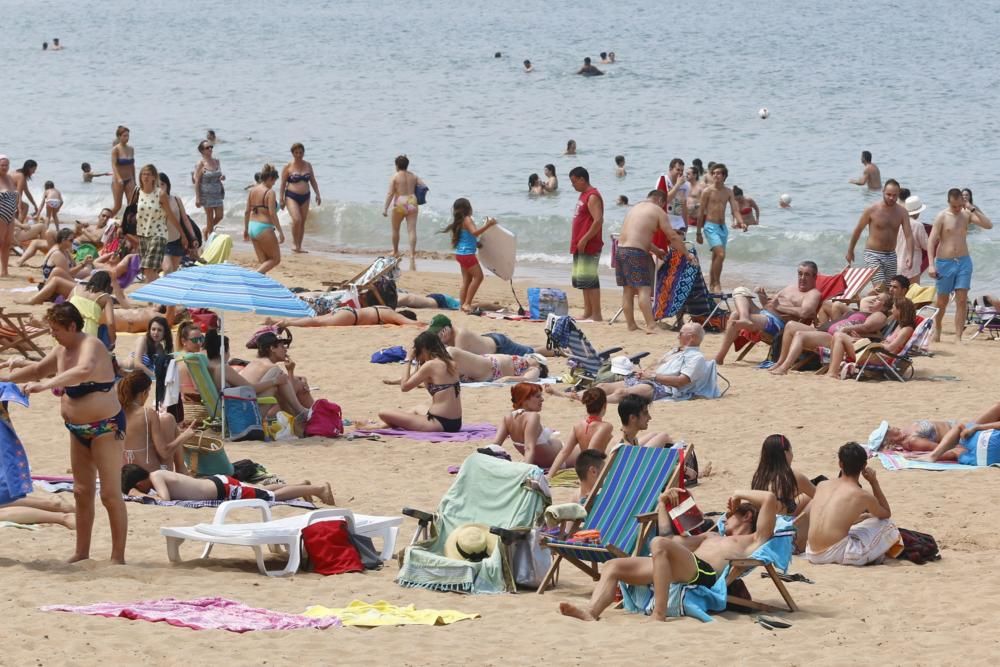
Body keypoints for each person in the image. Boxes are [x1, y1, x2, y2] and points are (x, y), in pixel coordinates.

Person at [0, 304, 127, 563]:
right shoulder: (61, 350)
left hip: (105, 427)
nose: (53, 335)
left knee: (109, 494)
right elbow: (36, 370)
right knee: (81, 491)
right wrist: (3, 379)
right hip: (76, 429)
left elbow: (83, 371)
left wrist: (47, 384)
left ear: (72, 326)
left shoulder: (91, 345)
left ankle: (117, 557)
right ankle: (82, 552)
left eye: (56, 330)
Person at [558, 486, 778, 622]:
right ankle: (592, 611)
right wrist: (662, 504)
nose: (725, 517)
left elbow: (769, 499)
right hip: (680, 567)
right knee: (614, 566)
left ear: (747, 515)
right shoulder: (711, 537)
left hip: (704, 573)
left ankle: (659, 614)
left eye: (731, 515)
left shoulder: (753, 540)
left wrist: (738, 493)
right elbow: (669, 539)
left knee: (658, 543)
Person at [804, 443, 898, 566]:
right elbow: (886, 513)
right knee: (888, 525)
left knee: (856, 525)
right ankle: (877, 557)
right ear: (864, 466)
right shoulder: (861, 495)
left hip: (810, 551)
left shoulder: (822, 485)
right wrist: (874, 482)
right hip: (833, 553)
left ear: (840, 464)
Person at [715, 261, 822, 364]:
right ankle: (745, 318)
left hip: (777, 324)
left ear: (815, 277)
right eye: (800, 274)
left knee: (734, 315)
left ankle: (720, 357)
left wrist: (779, 306)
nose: (802, 278)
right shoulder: (790, 287)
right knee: (740, 291)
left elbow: (804, 313)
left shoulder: (812, 294)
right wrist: (763, 297)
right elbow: (768, 305)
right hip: (764, 313)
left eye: (807, 275)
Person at [770, 292, 892, 375]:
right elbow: (842, 306)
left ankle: (784, 368)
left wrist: (846, 329)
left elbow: (867, 327)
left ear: (885, 307)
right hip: (825, 331)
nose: (873, 300)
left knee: (800, 335)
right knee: (791, 325)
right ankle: (779, 362)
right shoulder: (861, 312)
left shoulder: (879, 315)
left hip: (833, 338)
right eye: (874, 298)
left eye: (878, 300)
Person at [615, 190, 686, 332]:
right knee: (644, 289)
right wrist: (687, 254)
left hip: (620, 251)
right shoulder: (658, 211)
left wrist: (657, 251)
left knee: (628, 290)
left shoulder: (635, 208)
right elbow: (672, 236)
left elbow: (639, 237)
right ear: (661, 201)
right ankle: (651, 325)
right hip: (636, 253)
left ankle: (631, 325)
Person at [928, 188, 993, 342]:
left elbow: (988, 225)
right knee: (942, 301)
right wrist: (931, 264)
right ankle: (937, 329)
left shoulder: (967, 214)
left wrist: (972, 208)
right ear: (949, 202)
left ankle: (958, 337)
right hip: (945, 263)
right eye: (954, 206)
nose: (957, 209)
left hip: (964, 261)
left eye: (959, 205)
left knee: (962, 300)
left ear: (963, 202)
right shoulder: (942, 216)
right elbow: (931, 241)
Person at [595, 323, 710, 403]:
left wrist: (653, 376)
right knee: (602, 386)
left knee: (622, 393)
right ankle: (580, 397)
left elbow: (681, 382)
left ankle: (591, 403)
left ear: (692, 338)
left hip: (665, 388)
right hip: (650, 379)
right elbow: (658, 366)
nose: (677, 336)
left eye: (680, 334)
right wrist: (646, 373)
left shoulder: (696, 358)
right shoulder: (676, 350)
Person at [379, 331, 463, 433]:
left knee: (383, 413)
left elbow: (404, 387)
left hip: (438, 422)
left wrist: (408, 360)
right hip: (456, 423)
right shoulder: (451, 363)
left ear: (423, 349)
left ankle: (376, 426)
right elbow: (414, 379)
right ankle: (381, 426)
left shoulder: (430, 365)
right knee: (417, 408)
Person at [121, 466, 336, 505]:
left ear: (139, 482)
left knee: (269, 498)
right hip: (219, 486)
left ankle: (318, 490)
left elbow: (165, 499)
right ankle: (301, 485)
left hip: (221, 488)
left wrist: (140, 496)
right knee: (263, 492)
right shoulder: (157, 474)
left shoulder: (156, 476)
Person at [751, 434, 816, 550]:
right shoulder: (792, 477)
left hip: (762, 534)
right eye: (791, 451)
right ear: (785, 454)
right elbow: (820, 496)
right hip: (784, 542)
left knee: (805, 497)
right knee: (815, 501)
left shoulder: (759, 477)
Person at [825, 297, 916, 379]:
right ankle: (832, 372)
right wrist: (862, 340)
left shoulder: (906, 329)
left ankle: (832, 373)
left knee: (839, 336)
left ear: (900, 310)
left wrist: (869, 344)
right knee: (838, 336)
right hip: (876, 353)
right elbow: (886, 344)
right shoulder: (899, 326)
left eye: (894, 308)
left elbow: (890, 347)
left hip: (881, 358)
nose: (891, 310)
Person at [846, 179, 913, 291]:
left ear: (898, 194)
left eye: (894, 195)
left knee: (890, 291)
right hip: (873, 254)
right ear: (883, 191)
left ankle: (874, 305)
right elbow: (858, 230)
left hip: (891, 255)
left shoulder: (902, 212)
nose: (891, 198)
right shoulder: (871, 210)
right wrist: (850, 250)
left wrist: (910, 255)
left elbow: (909, 235)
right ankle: (867, 301)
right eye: (888, 194)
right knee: (880, 288)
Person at [117, 371, 190, 472]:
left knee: (165, 420)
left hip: (125, 474)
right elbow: (164, 452)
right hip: (149, 475)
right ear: (144, 393)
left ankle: (182, 469)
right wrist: (184, 436)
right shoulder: (147, 414)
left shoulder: (116, 413)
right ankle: (181, 469)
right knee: (168, 419)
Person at [442, 198, 497, 312]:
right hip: (467, 255)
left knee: (467, 281)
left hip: (461, 254)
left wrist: (476, 244)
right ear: (468, 208)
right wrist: (488, 225)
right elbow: (474, 232)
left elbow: (466, 237)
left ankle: (462, 305)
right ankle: (467, 304)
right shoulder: (467, 219)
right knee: (479, 277)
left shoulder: (460, 221)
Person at [696, 163, 745, 292]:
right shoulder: (707, 191)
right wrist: (698, 233)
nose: (715, 175)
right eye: (714, 173)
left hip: (722, 228)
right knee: (721, 254)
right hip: (710, 226)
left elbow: (735, 210)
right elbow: (701, 212)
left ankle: (712, 284)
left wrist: (741, 222)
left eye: (718, 173)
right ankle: (717, 282)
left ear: (724, 176)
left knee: (716, 258)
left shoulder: (728, 192)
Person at [546, 387, 614, 478]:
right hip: (596, 471)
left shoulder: (577, 426)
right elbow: (591, 453)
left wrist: (550, 475)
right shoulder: (606, 427)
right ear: (604, 405)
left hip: (584, 469)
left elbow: (564, 452)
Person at [493, 383, 564, 468]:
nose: (542, 400)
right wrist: (526, 472)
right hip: (559, 459)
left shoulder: (508, 417)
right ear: (524, 400)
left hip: (548, 459)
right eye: (538, 397)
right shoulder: (532, 416)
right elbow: (529, 448)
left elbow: (495, 445)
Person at [134, 164, 183, 282]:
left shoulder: (160, 194)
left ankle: (163, 290)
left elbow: (170, 216)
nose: (145, 177)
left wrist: (183, 234)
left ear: (153, 177)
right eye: (143, 174)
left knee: (159, 268)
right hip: (143, 235)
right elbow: (132, 213)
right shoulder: (137, 192)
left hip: (159, 235)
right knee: (147, 270)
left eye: (149, 174)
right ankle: (159, 292)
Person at [912, 401, 1000, 464]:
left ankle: (933, 455)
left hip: (979, 441)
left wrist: (977, 427)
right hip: (980, 460)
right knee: (957, 452)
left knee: (960, 428)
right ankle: (933, 455)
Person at [569, 166, 604, 321]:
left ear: (582, 179)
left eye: (574, 181)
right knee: (583, 279)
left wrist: (585, 239)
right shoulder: (583, 195)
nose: (573, 185)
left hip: (589, 244)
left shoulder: (592, 196)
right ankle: (587, 311)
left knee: (590, 279)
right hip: (580, 244)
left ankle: (596, 314)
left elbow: (598, 221)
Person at [426, 314, 551, 357]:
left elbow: (456, 360)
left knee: (531, 351)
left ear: (447, 329)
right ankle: (549, 346)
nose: (438, 336)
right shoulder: (448, 337)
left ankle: (557, 350)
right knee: (524, 347)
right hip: (491, 341)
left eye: (439, 333)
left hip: (500, 347)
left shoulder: (460, 335)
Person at [382, 155, 423, 270]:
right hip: (412, 201)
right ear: (407, 165)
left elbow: (390, 193)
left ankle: (395, 251)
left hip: (400, 201)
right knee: (412, 230)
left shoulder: (395, 177)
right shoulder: (413, 176)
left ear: (396, 165)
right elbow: (423, 186)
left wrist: (385, 208)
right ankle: (412, 254)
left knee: (395, 229)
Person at [280, 142, 321, 253]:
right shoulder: (288, 167)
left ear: (303, 153)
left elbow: (312, 180)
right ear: (292, 153)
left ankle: (299, 246)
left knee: (302, 221)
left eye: (301, 152)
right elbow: (283, 184)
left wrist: (318, 194)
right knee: (297, 219)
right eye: (296, 152)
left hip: (306, 196)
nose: (299, 155)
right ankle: (294, 243)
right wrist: (281, 199)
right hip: (291, 196)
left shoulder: (308, 165)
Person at [243, 163, 284, 274]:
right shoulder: (270, 192)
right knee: (275, 259)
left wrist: (246, 229)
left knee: (264, 262)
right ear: (270, 178)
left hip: (252, 227)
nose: (274, 184)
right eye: (274, 181)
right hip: (263, 228)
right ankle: (254, 277)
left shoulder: (252, 190)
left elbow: (247, 211)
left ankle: (259, 286)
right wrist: (280, 231)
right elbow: (272, 213)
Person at [159, 173, 198, 273]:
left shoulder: (176, 200)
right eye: (157, 185)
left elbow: (185, 220)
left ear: (167, 185)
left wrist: (193, 237)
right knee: (168, 269)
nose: (160, 187)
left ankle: (166, 288)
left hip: (177, 240)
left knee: (173, 272)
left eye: (162, 184)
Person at [446, 346, 548, 382]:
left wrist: (508, 378)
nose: (529, 356)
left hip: (491, 367)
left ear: (540, 366)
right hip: (487, 364)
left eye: (533, 357)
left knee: (452, 352)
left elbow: (528, 379)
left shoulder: (534, 369)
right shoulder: (526, 363)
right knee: (452, 360)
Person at [267, 306, 420, 328]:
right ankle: (287, 323)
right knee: (318, 322)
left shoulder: (385, 309)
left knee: (318, 320)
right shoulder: (392, 314)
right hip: (351, 317)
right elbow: (410, 323)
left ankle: (278, 321)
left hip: (348, 310)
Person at [193, 139, 225, 236]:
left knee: (219, 216)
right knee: (210, 217)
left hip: (217, 193)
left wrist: (222, 177)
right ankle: (209, 241)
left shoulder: (217, 161)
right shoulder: (201, 164)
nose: (210, 149)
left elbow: (218, 175)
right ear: (202, 151)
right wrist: (198, 198)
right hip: (206, 195)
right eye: (207, 148)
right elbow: (197, 181)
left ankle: (206, 229)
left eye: (211, 147)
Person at [896, 195, 929, 283]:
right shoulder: (918, 225)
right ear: (918, 212)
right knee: (912, 291)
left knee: (899, 291)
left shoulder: (898, 222)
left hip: (897, 262)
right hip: (912, 264)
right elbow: (926, 246)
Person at [655, 158, 689, 239]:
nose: (680, 173)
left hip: (679, 222)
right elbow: (663, 201)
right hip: (665, 221)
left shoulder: (686, 186)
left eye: (682, 170)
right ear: (670, 169)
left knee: (678, 248)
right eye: (678, 170)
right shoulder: (663, 180)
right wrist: (677, 185)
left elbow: (684, 206)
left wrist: (686, 224)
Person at [109, 126, 135, 218]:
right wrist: (119, 178)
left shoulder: (131, 149)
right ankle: (104, 221)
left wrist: (134, 180)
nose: (127, 138)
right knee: (117, 206)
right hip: (118, 181)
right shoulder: (115, 149)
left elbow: (132, 165)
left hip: (129, 179)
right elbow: (114, 165)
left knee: (131, 205)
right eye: (124, 136)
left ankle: (127, 226)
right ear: (119, 137)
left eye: (128, 136)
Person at [0, 155, 19, 276]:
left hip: (11, 216)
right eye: (2, 165)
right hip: (0, 214)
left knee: (7, 243)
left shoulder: (10, 178)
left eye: (6, 165)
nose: (4, 167)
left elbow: (16, 196)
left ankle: (4, 271)